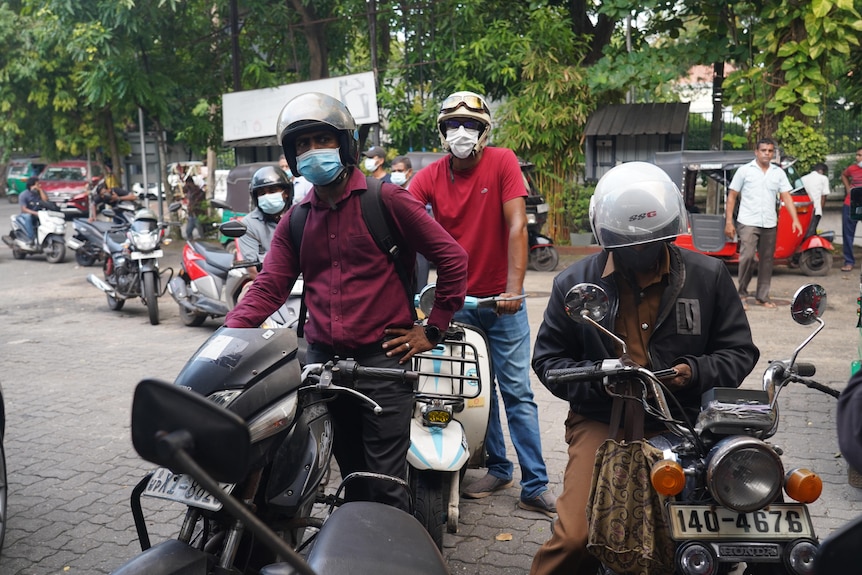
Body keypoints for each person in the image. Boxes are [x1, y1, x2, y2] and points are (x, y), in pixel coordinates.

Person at [224, 92, 467, 511]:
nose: (312, 151)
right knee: (351, 479)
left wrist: (433, 328)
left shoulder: (386, 200)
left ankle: (393, 555)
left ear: (346, 145)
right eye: (302, 145)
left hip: (383, 365)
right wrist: (227, 338)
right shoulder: (297, 219)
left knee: (385, 485)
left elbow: (452, 257)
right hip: (323, 369)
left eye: (322, 140)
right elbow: (268, 288)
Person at [529, 161, 760, 575]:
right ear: (607, 237)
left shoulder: (707, 276)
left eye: (651, 243)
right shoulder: (574, 283)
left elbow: (740, 351)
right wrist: (600, 380)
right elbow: (548, 361)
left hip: (688, 420)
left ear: (669, 233)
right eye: (627, 244)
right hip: (604, 422)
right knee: (576, 538)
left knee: (732, 529)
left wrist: (694, 372)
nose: (639, 251)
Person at [408, 90, 556, 516]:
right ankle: (498, 466)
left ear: (484, 130)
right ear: (441, 132)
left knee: (517, 393)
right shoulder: (431, 176)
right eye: (452, 124)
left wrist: (513, 289)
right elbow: (403, 221)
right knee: (476, 392)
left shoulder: (503, 161)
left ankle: (536, 481)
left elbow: (516, 225)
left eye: (470, 124)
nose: (461, 132)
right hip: (457, 302)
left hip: (501, 302)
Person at [724, 137, 802, 309]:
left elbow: (786, 196)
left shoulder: (778, 173)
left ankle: (762, 296)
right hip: (748, 221)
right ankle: (742, 294)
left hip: (769, 222)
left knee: (767, 260)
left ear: (773, 153)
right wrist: (729, 222)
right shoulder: (744, 171)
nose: (767, 153)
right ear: (756, 152)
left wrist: (795, 220)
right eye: (763, 150)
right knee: (748, 256)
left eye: (770, 151)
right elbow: (732, 196)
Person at [236, 166, 292, 281]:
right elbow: (252, 269)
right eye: (261, 193)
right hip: (268, 284)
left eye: (272, 191)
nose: (267, 196)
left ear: (286, 193)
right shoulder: (248, 224)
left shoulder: (301, 215)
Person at [840, 147, 862, 272]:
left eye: (860, 155)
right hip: (851, 203)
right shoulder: (852, 168)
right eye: (857, 155)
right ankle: (849, 261)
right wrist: (848, 188)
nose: (857, 158)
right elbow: (844, 175)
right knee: (848, 234)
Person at [800, 162, 830, 237]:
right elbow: (824, 196)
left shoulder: (803, 178)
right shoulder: (823, 178)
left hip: (804, 209)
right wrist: (821, 209)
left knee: (805, 231)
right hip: (816, 210)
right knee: (811, 232)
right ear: (822, 171)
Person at [16, 176, 49, 245]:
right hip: (26, 214)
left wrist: (40, 190)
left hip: (39, 214)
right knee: (28, 217)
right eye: (37, 184)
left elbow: (46, 200)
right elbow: (24, 209)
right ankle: (31, 238)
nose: (38, 186)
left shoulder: (40, 193)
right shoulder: (24, 195)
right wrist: (35, 213)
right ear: (31, 185)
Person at [183, 172, 206, 240]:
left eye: (188, 183)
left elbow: (201, 199)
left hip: (197, 212)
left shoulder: (198, 191)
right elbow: (184, 190)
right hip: (191, 213)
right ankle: (191, 242)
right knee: (188, 231)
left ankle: (203, 241)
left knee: (200, 229)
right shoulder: (189, 190)